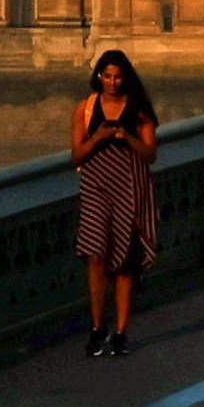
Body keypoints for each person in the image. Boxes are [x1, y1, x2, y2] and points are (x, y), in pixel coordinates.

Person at [71, 48, 161, 356]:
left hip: (130, 187)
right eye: (107, 76)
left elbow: (151, 154)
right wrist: (97, 138)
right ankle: (98, 326)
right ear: (98, 76)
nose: (112, 81)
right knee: (95, 256)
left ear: (126, 78)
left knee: (124, 262)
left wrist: (127, 136)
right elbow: (76, 156)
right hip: (96, 187)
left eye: (117, 76)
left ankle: (121, 332)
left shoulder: (139, 111)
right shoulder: (85, 109)